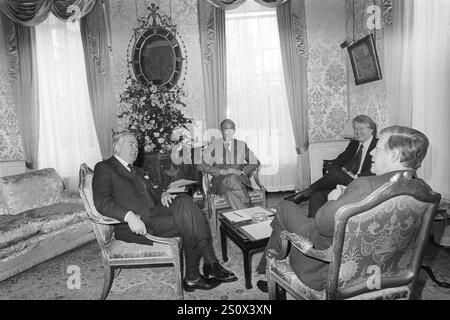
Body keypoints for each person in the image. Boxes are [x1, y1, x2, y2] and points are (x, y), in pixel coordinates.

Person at [256, 125, 431, 292]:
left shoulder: (365, 185)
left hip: (331, 268)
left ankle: (270, 270)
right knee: (288, 218)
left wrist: (334, 199)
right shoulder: (425, 192)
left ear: (394, 155)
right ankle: (268, 269)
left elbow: (322, 225)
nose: (372, 152)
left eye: (377, 148)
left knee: (284, 207)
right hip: (390, 271)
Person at [92, 131, 237, 292]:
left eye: (137, 145)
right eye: (130, 144)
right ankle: (201, 270)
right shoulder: (104, 167)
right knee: (189, 221)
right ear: (116, 147)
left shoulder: (136, 170)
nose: (135, 149)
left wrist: (162, 193)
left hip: (154, 212)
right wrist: (129, 216)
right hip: (135, 225)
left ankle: (202, 270)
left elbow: (151, 191)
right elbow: (101, 201)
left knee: (185, 201)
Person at [286, 115, 378, 218]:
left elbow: (373, 172)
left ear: (371, 130)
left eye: (361, 128)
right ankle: (312, 225)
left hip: (362, 182)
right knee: (317, 195)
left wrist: (346, 173)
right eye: (355, 128)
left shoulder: (377, 146)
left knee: (336, 173)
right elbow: (339, 160)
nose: (357, 132)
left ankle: (305, 192)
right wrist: (338, 168)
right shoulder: (354, 144)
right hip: (347, 181)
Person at [198, 119, 261, 210]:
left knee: (230, 194)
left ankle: (246, 218)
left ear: (234, 130)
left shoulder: (241, 145)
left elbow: (256, 162)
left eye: (231, 129)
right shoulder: (214, 145)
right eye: (225, 129)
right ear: (221, 130)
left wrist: (242, 171)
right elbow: (200, 166)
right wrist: (222, 171)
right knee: (232, 177)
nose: (228, 132)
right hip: (220, 182)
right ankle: (251, 209)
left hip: (240, 181)